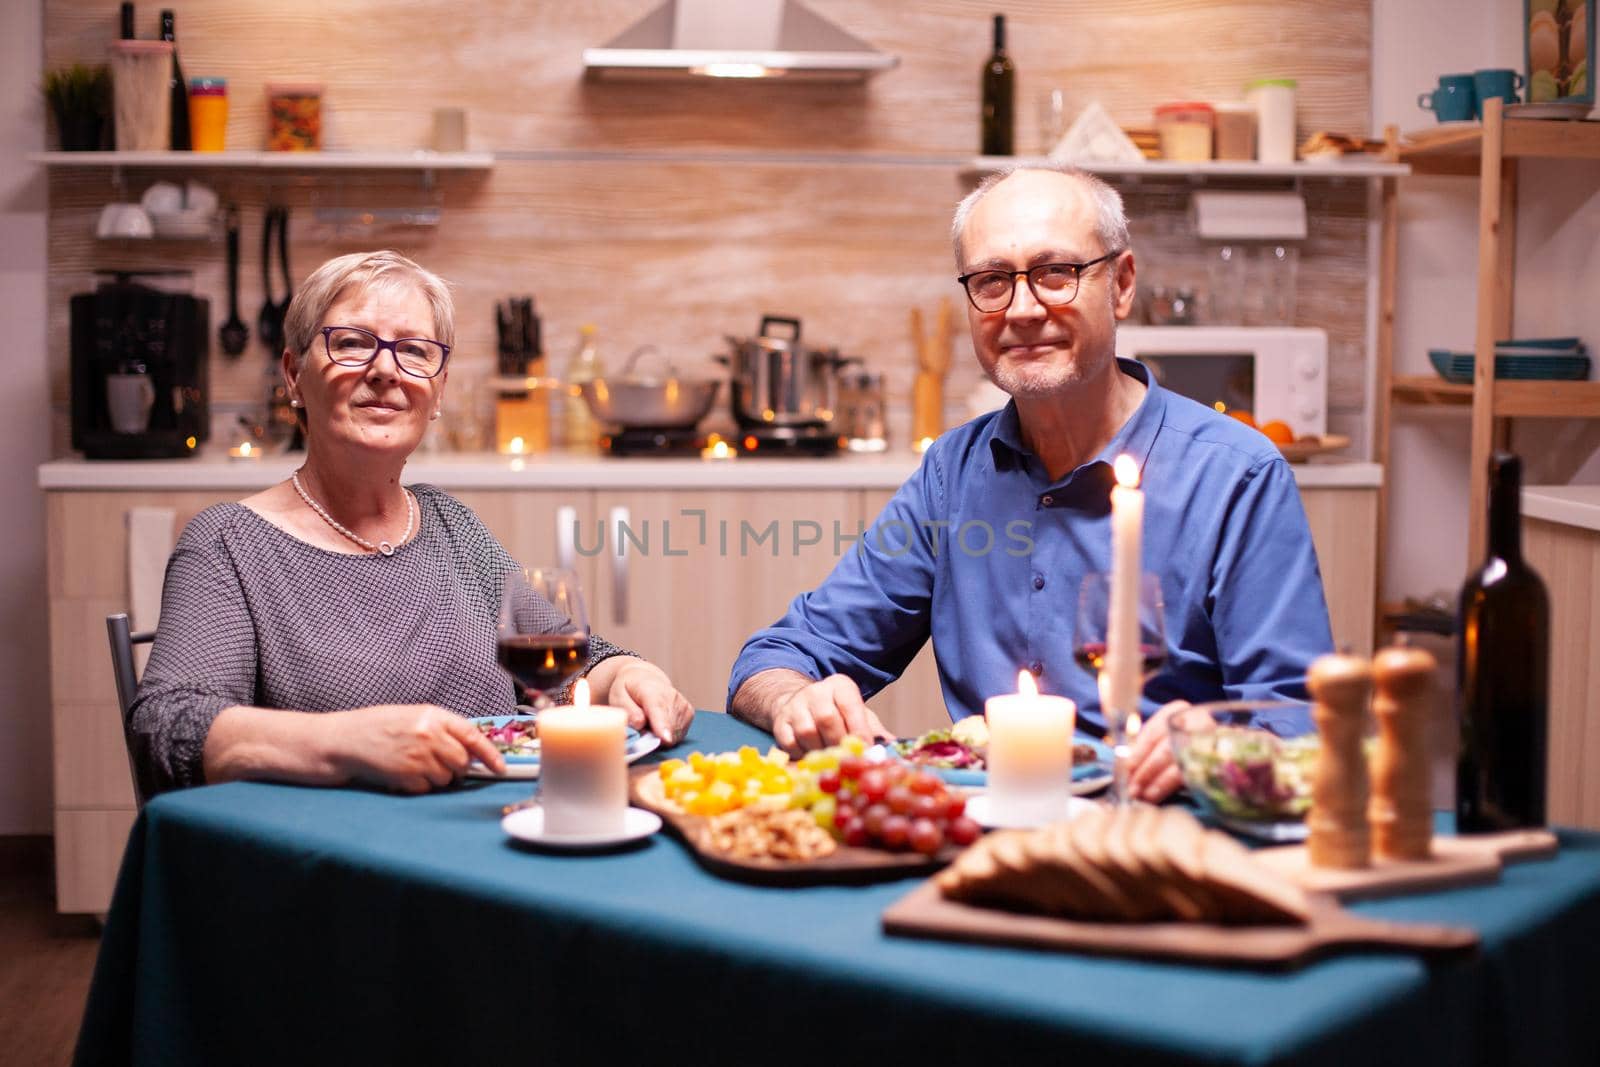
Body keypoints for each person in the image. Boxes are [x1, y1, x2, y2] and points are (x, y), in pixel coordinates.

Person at [727, 164, 1333, 802]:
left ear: (1121, 284)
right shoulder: (951, 474)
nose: (1021, 309)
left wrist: (1215, 738)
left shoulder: (1237, 475)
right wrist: (798, 699)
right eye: (991, 280)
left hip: (1158, 841)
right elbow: (774, 657)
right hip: (979, 836)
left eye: (1056, 273)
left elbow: (1303, 726)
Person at [130, 250, 694, 797]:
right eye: (351, 343)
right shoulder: (229, 544)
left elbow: (568, 659)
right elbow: (167, 727)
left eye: (415, 351)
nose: (384, 370)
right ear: (294, 375)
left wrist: (626, 675)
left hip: (493, 840)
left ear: (439, 389)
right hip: (334, 865)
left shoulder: (451, 525)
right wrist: (344, 742)